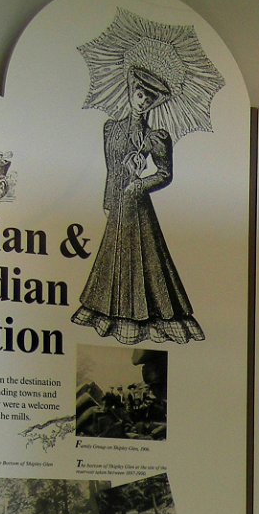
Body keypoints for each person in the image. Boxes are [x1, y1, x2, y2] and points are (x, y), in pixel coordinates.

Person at [72, 65, 205, 344]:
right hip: (118, 205)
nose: (142, 100)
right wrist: (108, 200)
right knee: (114, 257)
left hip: (138, 205)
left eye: (148, 98)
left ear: (154, 102)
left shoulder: (157, 137)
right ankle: (111, 314)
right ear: (131, 92)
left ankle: (145, 317)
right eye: (139, 94)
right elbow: (110, 169)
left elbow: (165, 174)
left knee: (145, 260)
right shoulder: (111, 129)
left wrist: (140, 183)